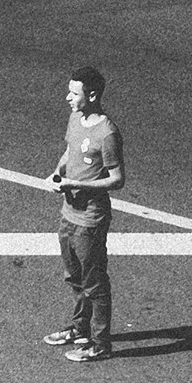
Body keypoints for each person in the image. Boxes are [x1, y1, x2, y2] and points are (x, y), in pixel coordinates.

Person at [45, 66, 123, 363]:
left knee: (95, 283)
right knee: (74, 277)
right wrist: (57, 173)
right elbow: (70, 152)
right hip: (69, 213)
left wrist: (77, 184)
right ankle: (80, 329)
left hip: (90, 220)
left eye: (73, 93)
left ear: (91, 95)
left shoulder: (107, 133)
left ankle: (101, 343)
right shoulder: (76, 118)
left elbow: (117, 179)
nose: (68, 97)